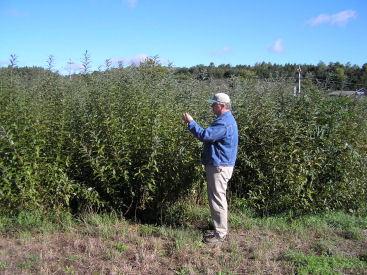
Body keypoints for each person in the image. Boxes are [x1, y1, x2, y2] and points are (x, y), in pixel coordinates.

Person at [182, 93, 238, 245]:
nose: (212, 106)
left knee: (217, 199)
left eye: (214, 104)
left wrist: (191, 122)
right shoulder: (226, 120)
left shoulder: (223, 123)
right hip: (221, 165)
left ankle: (220, 235)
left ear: (222, 105)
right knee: (217, 198)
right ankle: (219, 228)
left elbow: (205, 135)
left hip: (219, 167)